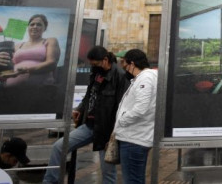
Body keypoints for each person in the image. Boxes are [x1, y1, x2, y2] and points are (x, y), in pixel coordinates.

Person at [42, 46, 128, 184]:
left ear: (105, 60)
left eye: (95, 64)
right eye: (92, 64)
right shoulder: (96, 73)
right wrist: (80, 108)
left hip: (107, 130)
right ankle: (50, 182)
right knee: (59, 147)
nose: (93, 67)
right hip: (89, 125)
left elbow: (122, 107)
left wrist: (114, 134)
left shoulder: (119, 76)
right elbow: (89, 95)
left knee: (108, 171)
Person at [113, 49, 158, 184]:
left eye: (124, 64)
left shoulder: (146, 77)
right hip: (136, 136)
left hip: (134, 138)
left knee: (133, 180)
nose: (124, 67)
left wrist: (122, 121)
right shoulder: (146, 77)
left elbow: (140, 108)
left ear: (132, 63)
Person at [6, 14, 61, 87]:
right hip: (11, 89)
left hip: (39, 89)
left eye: (39, 25)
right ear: (28, 27)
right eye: (32, 24)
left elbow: (52, 63)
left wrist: (27, 70)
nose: (35, 26)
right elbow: (10, 65)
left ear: (45, 28)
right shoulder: (18, 46)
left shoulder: (50, 41)